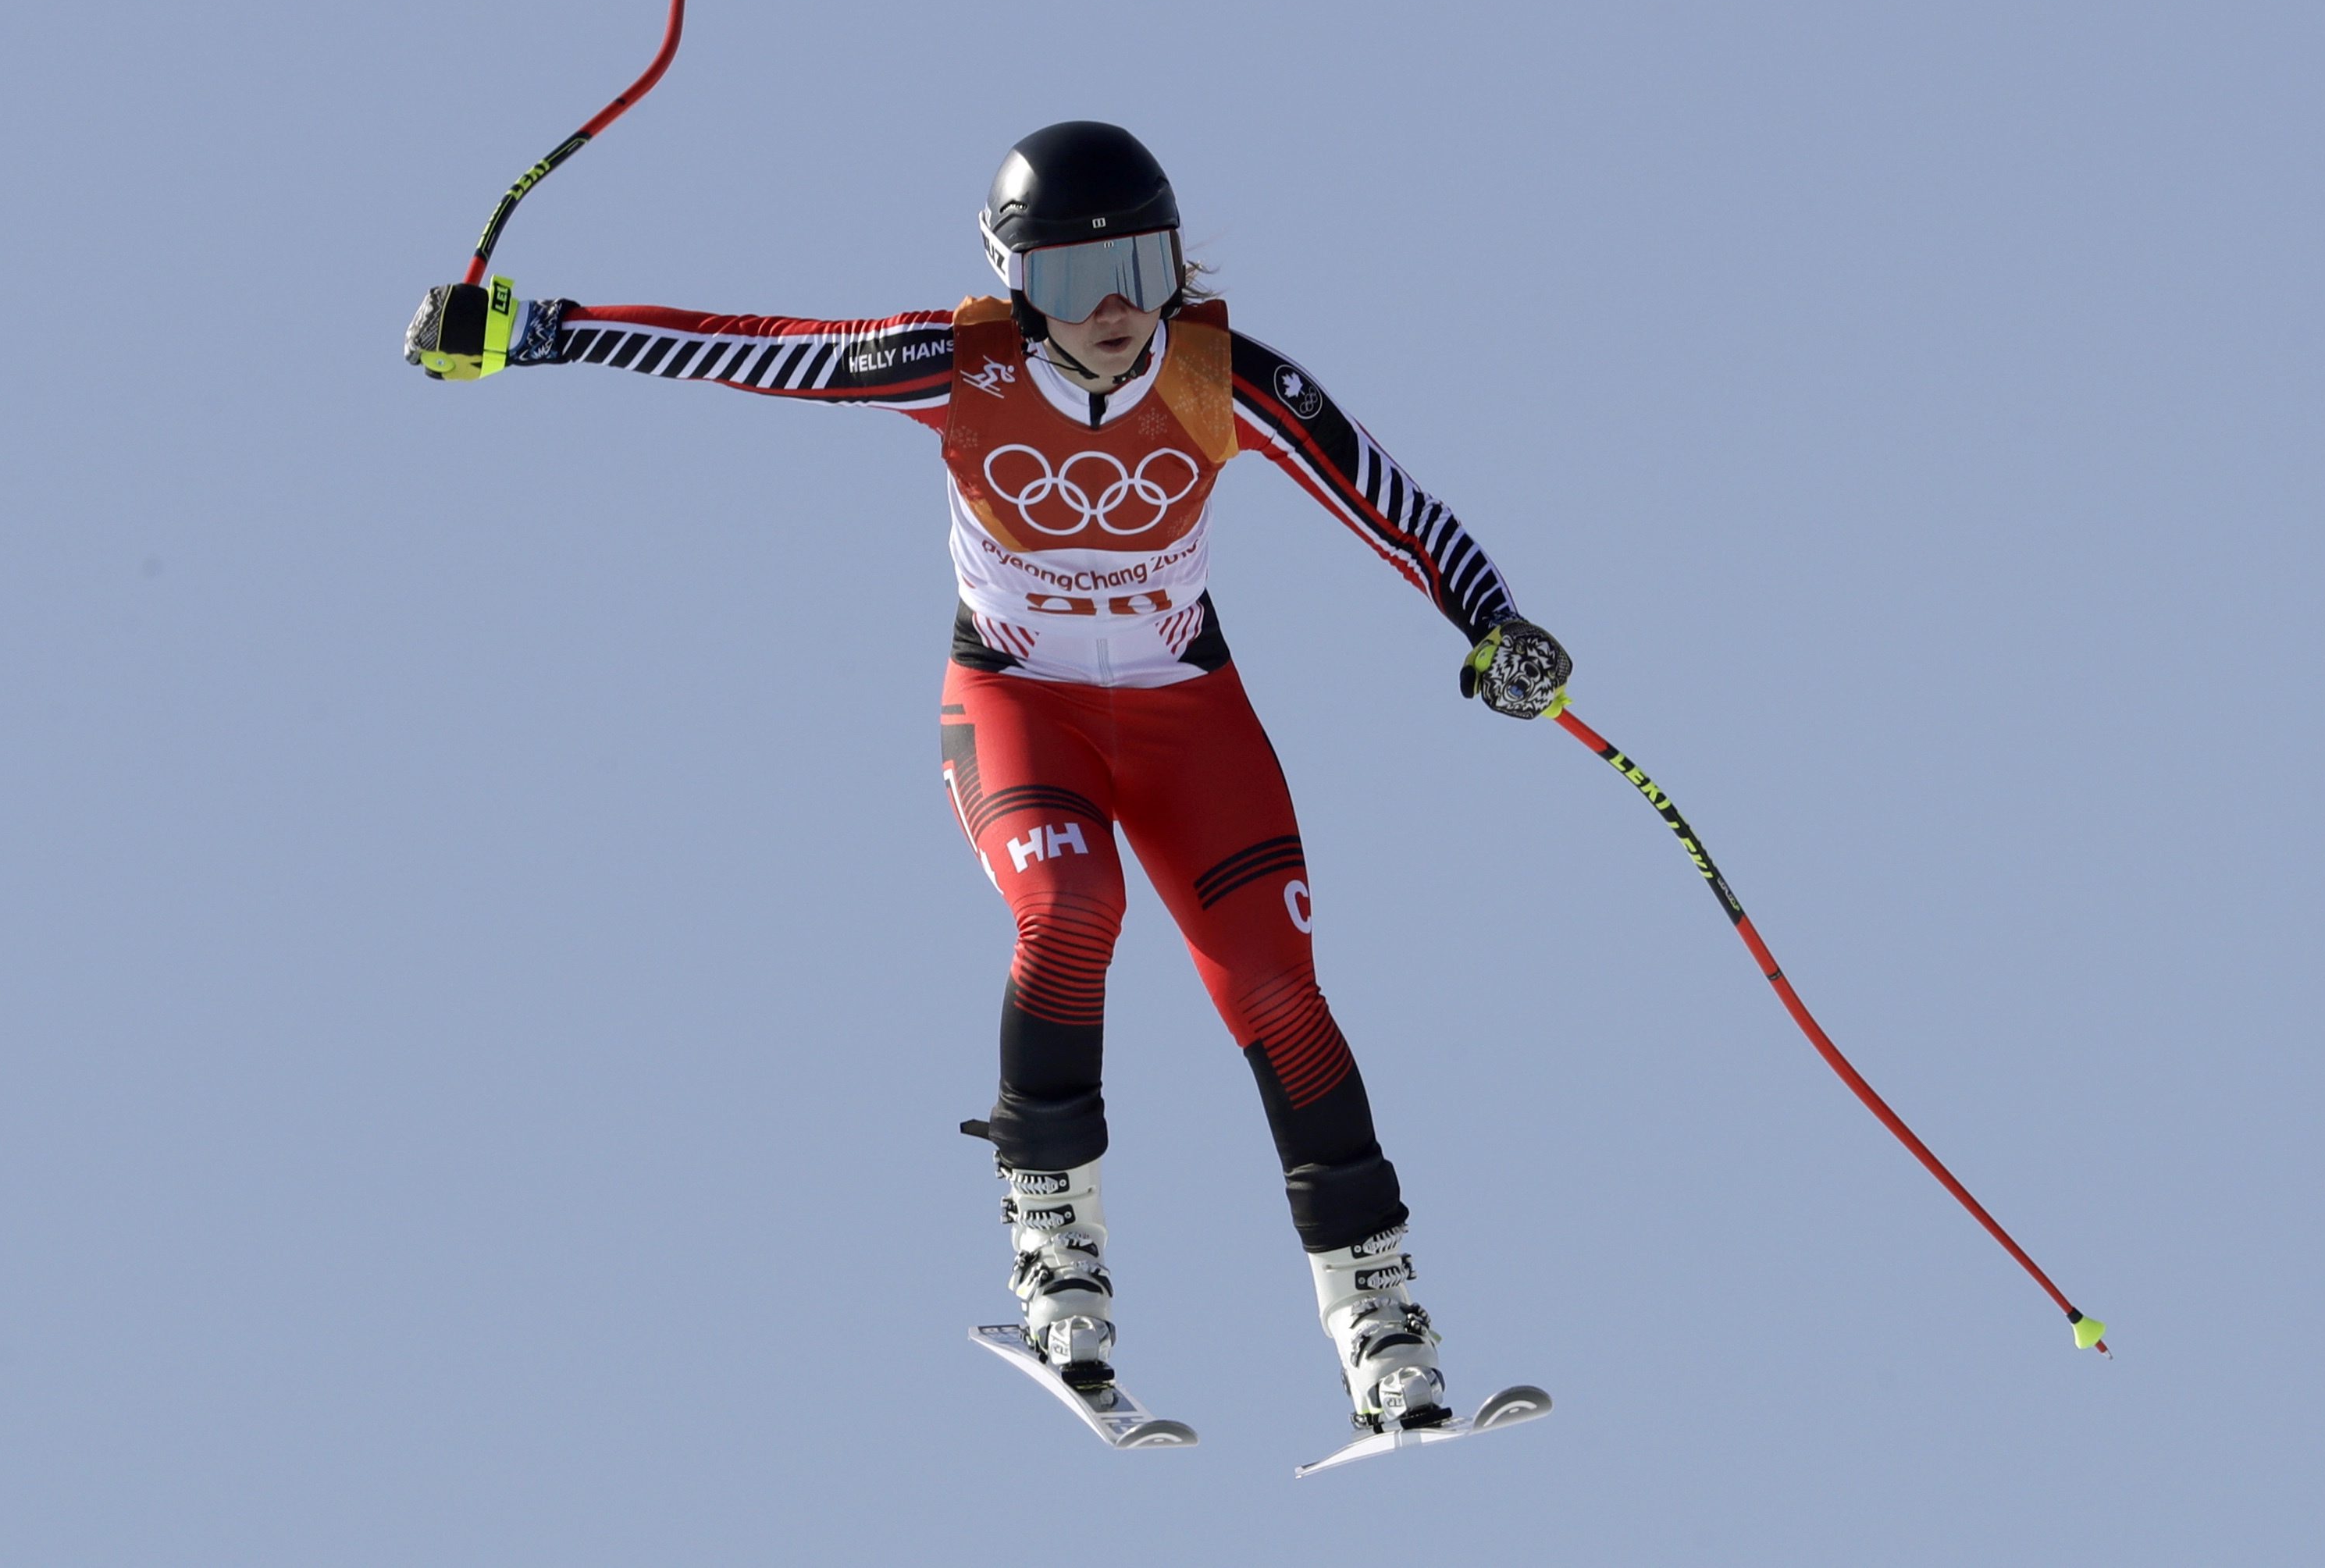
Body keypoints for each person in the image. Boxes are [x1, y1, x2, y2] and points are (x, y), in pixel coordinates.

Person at [405, 121, 1574, 1435]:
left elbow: (1398, 509)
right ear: (1017, 282)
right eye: (1078, 282)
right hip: (1020, 707)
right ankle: (1057, 1260)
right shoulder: (955, 367)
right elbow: (757, 351)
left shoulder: (1217, 380)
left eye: (1142, 264)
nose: (1119, 308)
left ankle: (1378, 1318)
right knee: (1071, 917)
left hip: (1190, 719)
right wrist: (535, 327)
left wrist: (1496, 628)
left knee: (1275, 989)